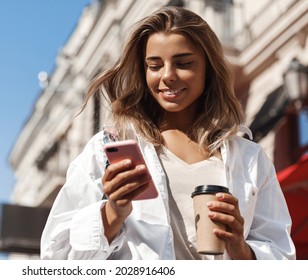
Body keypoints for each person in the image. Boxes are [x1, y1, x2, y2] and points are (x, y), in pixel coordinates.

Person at [40, 6, 295, 260]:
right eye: (155, 65)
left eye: (183, 63)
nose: (168, 76)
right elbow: (57, 259)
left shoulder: (249, 158)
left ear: (208, 67)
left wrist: (242, 250)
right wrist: (113, 212)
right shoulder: (108, 149)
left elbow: (282, 256)